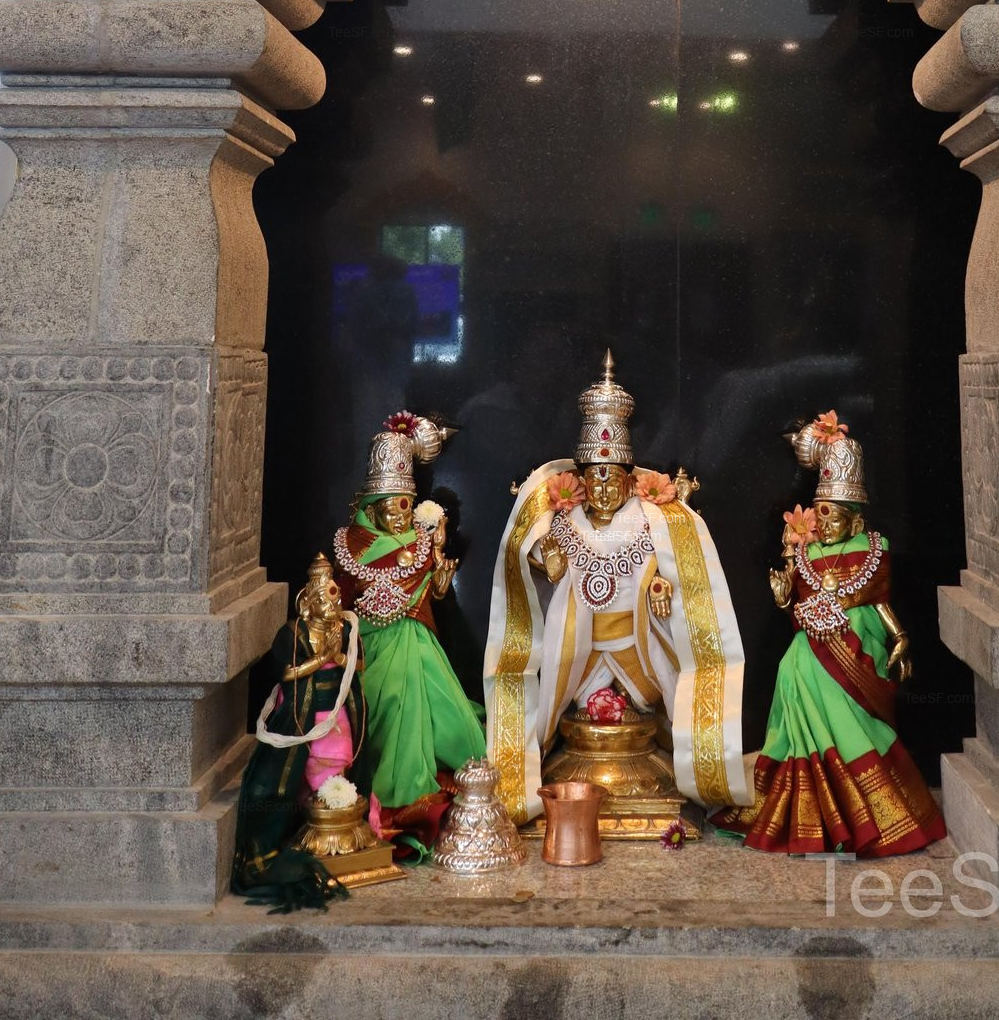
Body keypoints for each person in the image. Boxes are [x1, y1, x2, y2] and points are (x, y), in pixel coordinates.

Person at [484, 351, 750, 823]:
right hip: (580, 653)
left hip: (637, 648)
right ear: (581, 482)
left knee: (648, 707)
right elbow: (537, 574)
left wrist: (660, 590)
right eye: (595, 480)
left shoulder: (652, 522)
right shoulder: (563, 523)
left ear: (631, 482)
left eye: (614, 481)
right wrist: (547, 560)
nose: (605, 491)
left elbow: (672, 575)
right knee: (571, 714)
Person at [720, 413, 946, 857]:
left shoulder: (870, 550)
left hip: (857, 650)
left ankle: (875, 814)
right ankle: (813, 813)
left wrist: (900, 638)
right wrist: (783, 593)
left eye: (834, 518)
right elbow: (791, 602)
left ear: (854, 521)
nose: (824, 526)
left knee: (849, 714)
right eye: (820, 517)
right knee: (792, 670)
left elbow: (879, 603)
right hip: (810, 646)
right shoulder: (806, 553)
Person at [333, 409, 485, 844]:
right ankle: (379, 796)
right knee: (380, 706)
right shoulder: (350, 544)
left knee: (423, 700)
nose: (401, 516)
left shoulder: (420, 541)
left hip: (415, 641)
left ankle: (416, 791)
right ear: (374, 507)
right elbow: (341, 601)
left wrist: (441, 579)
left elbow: (434, 592)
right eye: (393, 507)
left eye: (406, 506)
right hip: (367, 650)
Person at [231, 552, 372, 909]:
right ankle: (302, 826)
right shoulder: (295, 632)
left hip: (338, 711)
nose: (333, 605)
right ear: (307, 603)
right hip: (303, 715)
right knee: (298, 770)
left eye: (335, 598)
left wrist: (338, 657)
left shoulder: (346, 628)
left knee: (343, 759)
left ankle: (337, 818)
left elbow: (359, 666)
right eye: (324, 599)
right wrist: (319, 658)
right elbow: (286, 673)